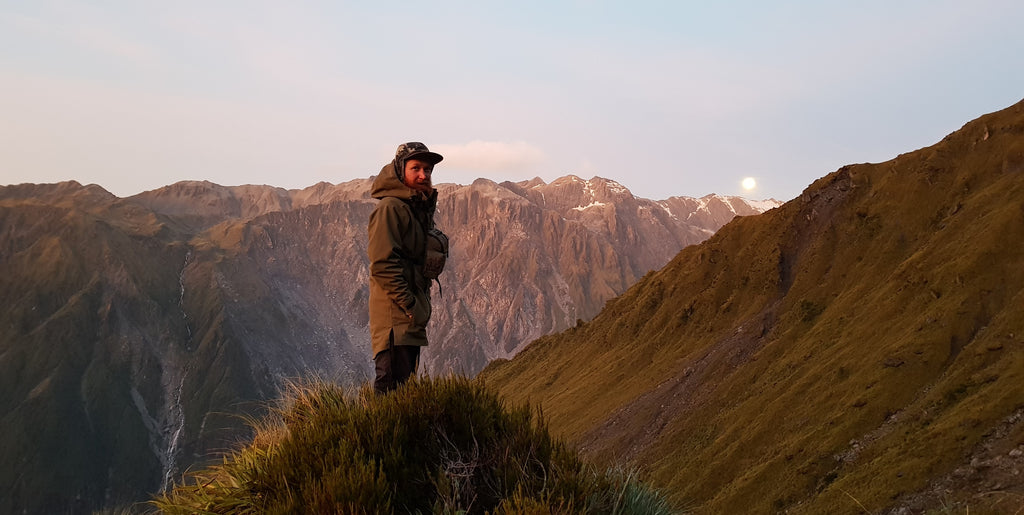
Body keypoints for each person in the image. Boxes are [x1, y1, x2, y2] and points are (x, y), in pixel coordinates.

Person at [367, 142, 444, 394]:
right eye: (416, 168)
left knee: (402, 394)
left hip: (408, 320)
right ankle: (377, 434)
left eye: (428, 170)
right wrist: (409, 305)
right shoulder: (390, 208)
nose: (423, 175)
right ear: (400, 170)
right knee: (390, 394)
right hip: (395, 319)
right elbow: (382, 264)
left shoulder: (413, 209)